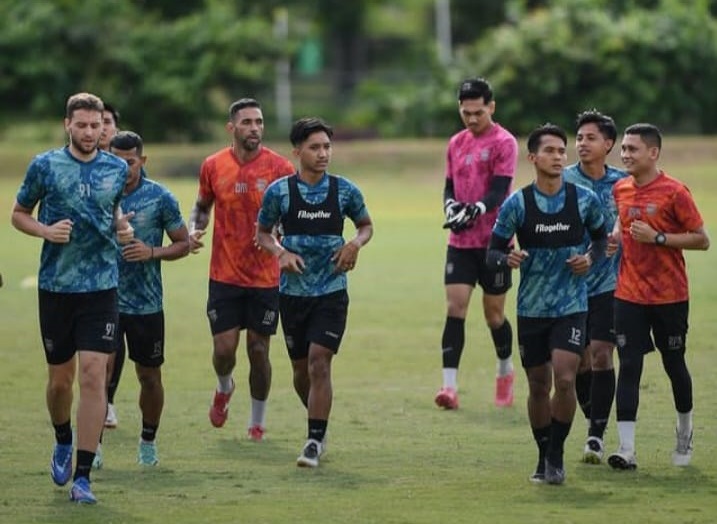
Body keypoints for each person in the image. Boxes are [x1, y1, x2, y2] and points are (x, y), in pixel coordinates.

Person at [10, 92, 134, 504]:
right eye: (80, 125)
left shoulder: (117, 168)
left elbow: (109, 212)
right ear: (68, 125)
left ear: (103, 126)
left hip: (102, 286)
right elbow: (19, 213)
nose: (88, 132)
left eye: (95, 125)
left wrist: (121, 228)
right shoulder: (45, 165)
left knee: (94, 376)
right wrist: (45, 231)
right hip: (57, 288)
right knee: (60, 382)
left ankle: (83, 476)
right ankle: (63, 438)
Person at [487, 123, 607, 484]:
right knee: (538, 386)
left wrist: (590, 258)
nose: (558, 157)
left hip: (571, 305)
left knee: (566, 380)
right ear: (533, 158)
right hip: (531, 309)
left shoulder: (584, 199)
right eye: (550, 151)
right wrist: (506, 258)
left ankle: (556, 455)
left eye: (561, 151)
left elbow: (601, 242)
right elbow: (492, 249)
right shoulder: (517, 203)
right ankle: (543, 453)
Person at [256, 116, 373, 467]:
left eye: (327, 147)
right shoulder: (280, 192)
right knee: (301, 371)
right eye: (314, 147)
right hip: (292, 294)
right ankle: (318, 420)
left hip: (331, 291)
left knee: (320, 363)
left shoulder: (345, 190)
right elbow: (262, 234)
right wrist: (281, 253)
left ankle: (313, 440)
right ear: (297, 151)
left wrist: (354, 244)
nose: (323, 154)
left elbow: (366, 226)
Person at [189, 98, 295, 441]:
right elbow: (202, 205)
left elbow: (291, 214)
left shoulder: (280, 168)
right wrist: (195, 227)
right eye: (247, 122)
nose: (255, 128)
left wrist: (284, 238)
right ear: (231, 128)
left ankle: (257, 421)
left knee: (259, 349)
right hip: (224, 273)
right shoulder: (213, 165)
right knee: (224, 350)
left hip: (265, 275)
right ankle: (224, 387)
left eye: (259, 122)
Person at [606, 123, 710, 470]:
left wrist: (659, 238)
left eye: (632, 149)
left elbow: (701, 238)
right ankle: (626, 449)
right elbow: (622, 226)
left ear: (653, 153)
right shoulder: (620, 188)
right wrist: (615, 238)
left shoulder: (675, 192)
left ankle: (684, 432)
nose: (625, 155)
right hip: (629, 294)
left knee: (673, 364)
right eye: (623, 149)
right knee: (630, 365)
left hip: (669, 296)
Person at [435, 77, 518, 410]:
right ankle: (449, 387)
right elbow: (448, 187)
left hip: (495, 242)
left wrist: (478, 208)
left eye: (478, 113)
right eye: (466, 112)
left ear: (491, 107)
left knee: (494, 315)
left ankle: (504, 370)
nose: (471, 119)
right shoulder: (455, 143)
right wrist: (451, 207)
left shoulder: (504, 142)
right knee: (455, 308)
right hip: (461, 241)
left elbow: (500, 189)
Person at [109, 131, 190, 466]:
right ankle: (93, 446)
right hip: (103, 300)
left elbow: (183, 243)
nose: (123, 168)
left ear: (142, 160)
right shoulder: (99, 193)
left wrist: (152, 251)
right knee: (98, 373)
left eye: (129, 162)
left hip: (146, 304)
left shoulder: (160, 197)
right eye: (115, 161)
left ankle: (148, 441)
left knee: (149, 376)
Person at [563, 110, 627, 463]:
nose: (582, 144)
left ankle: (595, 438)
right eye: (580, 138)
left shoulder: (623, 182)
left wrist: (622, 235)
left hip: (609, 284)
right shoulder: (564, 179)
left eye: (590, 138)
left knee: (602, 353)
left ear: (608, 144)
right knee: (580, 363)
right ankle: (595, 419)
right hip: (570, 286)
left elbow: (637, 219)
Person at [99, 101, 124, 429]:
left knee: (116, 337)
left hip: (129, 270)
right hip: (89, 268)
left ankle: (108, 400)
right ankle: (100, 400)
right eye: (94, 122)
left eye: (106, 122)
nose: (100, 128)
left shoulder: (124, 169)